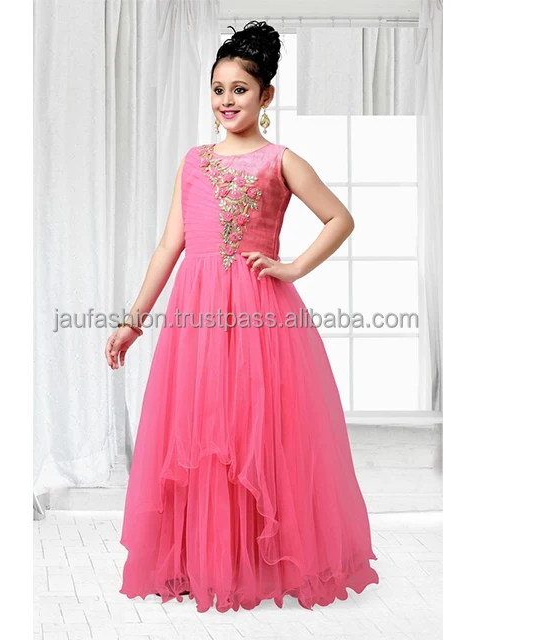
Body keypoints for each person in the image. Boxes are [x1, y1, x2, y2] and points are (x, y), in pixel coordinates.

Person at [107, 20, 379, 614]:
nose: (226, 101)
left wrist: (293, 268)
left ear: (266, 96)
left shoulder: (280, 160)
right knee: (203, 434)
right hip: (197, 317)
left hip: (260, 317)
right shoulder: (194, 162)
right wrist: (134, 319)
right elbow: (170, 245)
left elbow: (340, 219)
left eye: (240, 90)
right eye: (218, 89)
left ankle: (259, 564)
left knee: (257, 432)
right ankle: (202, 562)